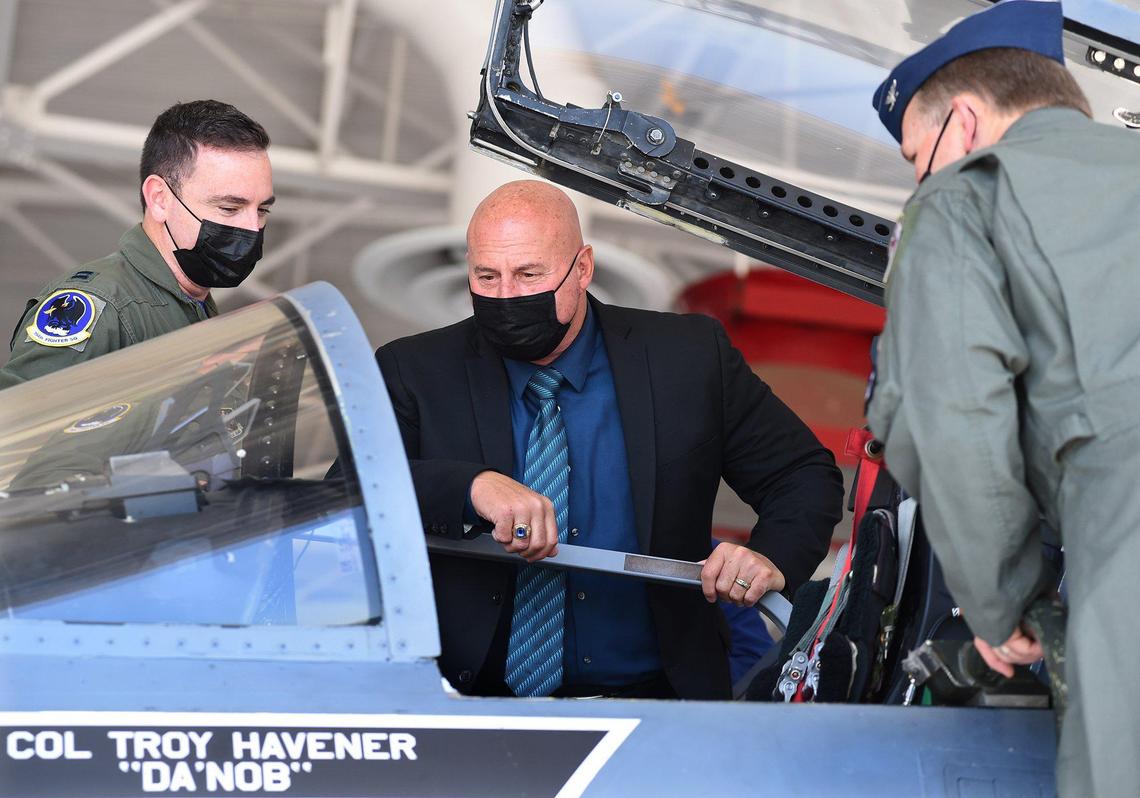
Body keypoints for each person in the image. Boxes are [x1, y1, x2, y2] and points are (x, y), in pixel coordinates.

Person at [377, 180, 843, 700]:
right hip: (466, 702)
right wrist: (471, 486)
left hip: (659, 704)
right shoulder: (414, 370)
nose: (507, 296)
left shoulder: (687, 360)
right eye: (487, 276)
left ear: (583, 268)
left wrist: (769, 556)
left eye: (529, 274)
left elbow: (802, 474)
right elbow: (349, 490)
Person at [866, 1, 1140, 795]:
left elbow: (951, 421)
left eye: (918, 157)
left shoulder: (965, 198)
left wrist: (1005, 606)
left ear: (966, 122)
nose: (921, 178)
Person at [0, 99, 273, 390]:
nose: (252, 227)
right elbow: (15, 425)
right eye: (229, 208)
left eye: (262, 211)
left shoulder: (192, 308)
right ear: (159, 198)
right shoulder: (102, 308)